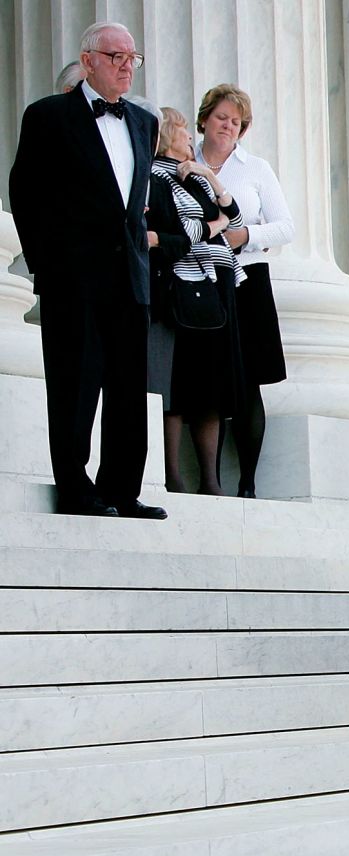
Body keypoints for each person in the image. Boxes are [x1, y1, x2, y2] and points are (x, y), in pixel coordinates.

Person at [9, 21, 164, 520]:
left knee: (127, 387)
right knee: (75, 384)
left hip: (130, 278)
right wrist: (46, 266)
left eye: (132, 58)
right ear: (88, 60)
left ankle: (122, 488)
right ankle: (75, 488)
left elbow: (136, 202)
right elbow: (26, 194)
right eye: (115, 56)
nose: (126, 66)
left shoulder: (144, 123)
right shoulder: (48, 116)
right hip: (72, 278)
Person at [193, 84, 290, 499]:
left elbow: (286, 227)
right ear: (204, 120)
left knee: (249, 380)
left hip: (248, 280)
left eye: (236, 122)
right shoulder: (183, 161)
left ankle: (248, 484)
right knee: (206, 378)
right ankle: (208, 479)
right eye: (221, 118)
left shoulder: (256, 168)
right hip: (199, 280)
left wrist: (245, 235)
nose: (228, 126)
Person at [146, 107, 247, 495]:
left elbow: (235, 219)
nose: (191, 139)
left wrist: (207, 175)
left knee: (211, 386)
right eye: (185, 131)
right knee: (176, 385)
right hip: (177, 287)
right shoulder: (156, 176)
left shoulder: (194, 177)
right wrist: (215, 225)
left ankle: (211, 479)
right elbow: (175, 230)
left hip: (214, 285)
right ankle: (173, 474)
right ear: (169, 134)